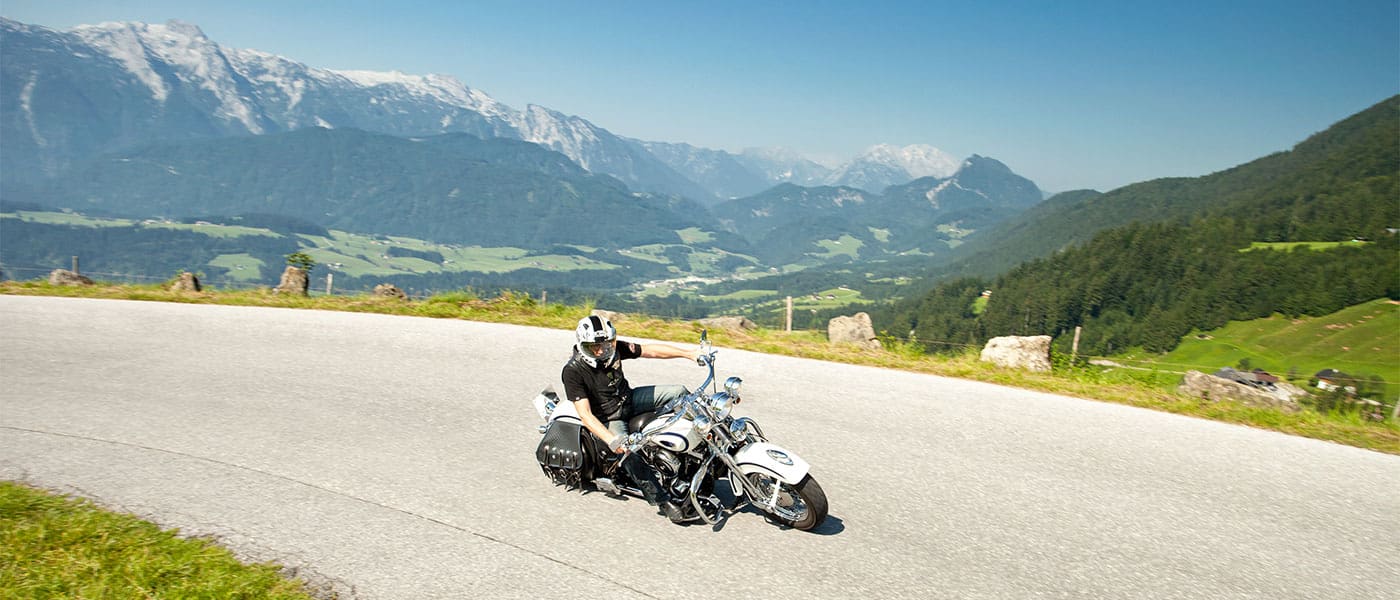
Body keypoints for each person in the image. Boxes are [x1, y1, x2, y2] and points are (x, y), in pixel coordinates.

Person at [561, 314, 698, 523]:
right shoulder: (573, 371)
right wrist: (611, 439)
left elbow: (649, 350)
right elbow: (585, 415)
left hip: (629, 399)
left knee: (680, 391)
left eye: (605, 345)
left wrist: (688, 354)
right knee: (627, 453)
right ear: (582, 345)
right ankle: (662, 500)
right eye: (593, 347)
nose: (600, 351)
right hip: (609, 416)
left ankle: (700, 439)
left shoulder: (612, 350)